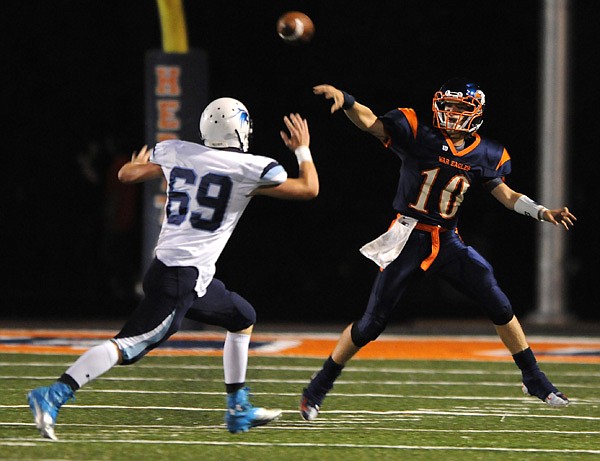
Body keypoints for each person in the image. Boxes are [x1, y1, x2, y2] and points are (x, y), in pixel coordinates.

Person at [27, 98, 319, 440]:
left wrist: (140, 166)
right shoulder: (249, 168)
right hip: (181, 277)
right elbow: (309, 188)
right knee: (129, 346)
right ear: (239, 129)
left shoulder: (178, 151)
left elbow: (127, 174)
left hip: (178, 271)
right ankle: (54, 393)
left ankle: (238, 407)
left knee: (242, 315)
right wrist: (303, 150)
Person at [299, 78, 576, 421]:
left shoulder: (487, 153)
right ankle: (318, 386)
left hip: (447, 239)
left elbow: (505, 194)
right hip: (408, 236)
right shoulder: (418, 133)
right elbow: (372, 123)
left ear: (475, 114)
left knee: (498, 300)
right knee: (371, 324)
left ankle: (534, 378)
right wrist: (348, 101)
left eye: (461, 108)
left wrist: (542, 212)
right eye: (449, 106)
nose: (453, 113)